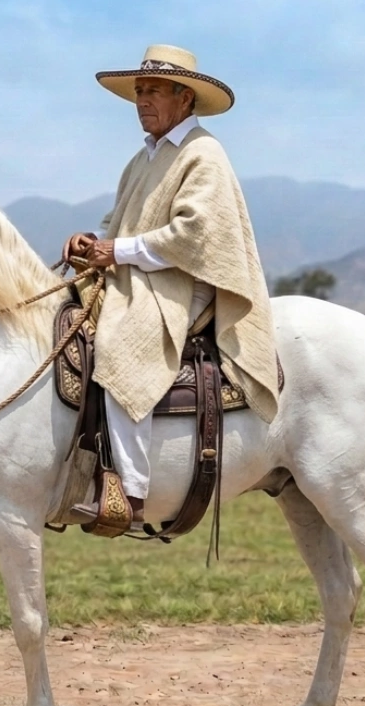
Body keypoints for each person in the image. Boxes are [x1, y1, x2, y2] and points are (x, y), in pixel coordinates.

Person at [63, 44, 281, 530]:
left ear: (185, 98)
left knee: (123, 342)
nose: (142, 100)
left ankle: (132, 493)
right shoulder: (144, 158)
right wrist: (93, 241)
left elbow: (195, 236)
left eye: (154, 90)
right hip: (143, 271)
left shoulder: (204, 153)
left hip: (187, 280)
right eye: (139, 91)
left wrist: (114, 252)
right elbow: (121, 220)